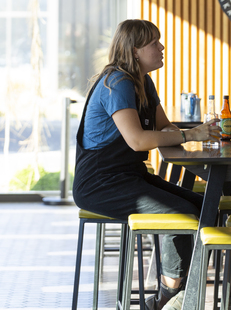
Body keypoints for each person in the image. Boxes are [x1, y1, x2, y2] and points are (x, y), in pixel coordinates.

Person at [72, 19, 220, 310]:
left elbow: (163, 126)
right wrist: (191, 134)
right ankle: (167, 297)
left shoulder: (143, 82)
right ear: (135, 50)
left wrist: (183, 134)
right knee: (183, 214)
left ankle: (181, 291)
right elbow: (138, 141)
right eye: (154, 43)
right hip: (100, 184)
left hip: (129, 176)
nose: (161, 47)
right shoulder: (117, 83)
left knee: (206, 207)